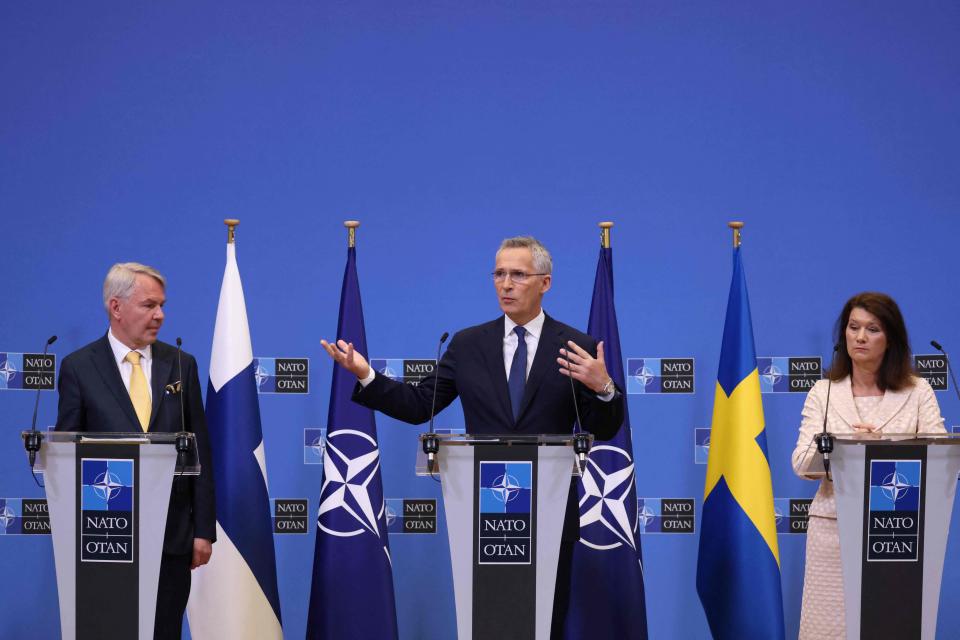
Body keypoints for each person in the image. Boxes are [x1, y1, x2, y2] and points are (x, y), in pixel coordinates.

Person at [321, 236, 624, 633]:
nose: (506, 284)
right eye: (499, 274)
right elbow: (418, 405)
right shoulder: (466, 345)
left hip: (551, 512)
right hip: (486, 513)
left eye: (518, 274)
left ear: (545, 283)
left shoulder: (574, 346)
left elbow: (602, 427)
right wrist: (366, 374)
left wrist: (604, 388)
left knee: (545, 626)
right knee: (489, 625)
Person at [56, 262, 216, 640]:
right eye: (149, 305)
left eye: (161, 305)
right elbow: (66, 456)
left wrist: (203, 529)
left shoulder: (181, 364)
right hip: (106, 535)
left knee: (164, 632)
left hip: (172, 535)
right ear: (116, 307)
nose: (160, 315)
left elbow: (201, 451)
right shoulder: (79, 368)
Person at [791, 292, 944, 639]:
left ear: (890, 338)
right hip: (832, 531)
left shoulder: (918, 392)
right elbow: (802, 462)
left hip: (895, 531)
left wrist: (883, 446)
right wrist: (847, 447)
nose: (860, 337)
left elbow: (937, 459)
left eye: (872, 329)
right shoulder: (824, 391)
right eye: (853, 327)